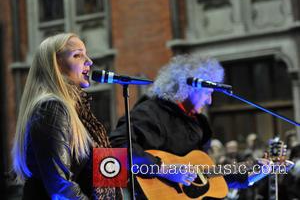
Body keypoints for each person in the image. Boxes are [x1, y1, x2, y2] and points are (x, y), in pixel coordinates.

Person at [110, 54, 276, 198]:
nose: (209, 101)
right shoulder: (151, 112)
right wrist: (164, 168)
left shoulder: (199, 124)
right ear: (190, 88)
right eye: (208, 93)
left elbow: (202, 180)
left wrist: (248, 178)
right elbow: (116, 148)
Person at [12, 33, 122, 199]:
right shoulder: (51, 108)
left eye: (85, 53)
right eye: (77, 55)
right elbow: (60, 186)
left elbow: (101, 169)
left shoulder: (80, 110)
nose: (89, 61)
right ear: (55, 64)